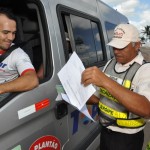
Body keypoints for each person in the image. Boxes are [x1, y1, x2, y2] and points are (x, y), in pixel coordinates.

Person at [81, 23, 150, 150]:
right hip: (106, 132)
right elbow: (98, 97)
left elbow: (147, 109)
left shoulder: (145, 70)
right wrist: (77, 95)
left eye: (122, 47)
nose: (116, 51)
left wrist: (106, 81)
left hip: (128, 140)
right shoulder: (110, 63)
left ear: (137, 45)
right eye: (114, 47)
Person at [0, 7, 39, 100]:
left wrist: (1, 88)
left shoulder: (18, 54)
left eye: (13, 33)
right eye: (5, 32)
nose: (11, 37)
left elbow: (32, 80)